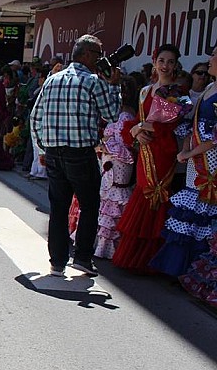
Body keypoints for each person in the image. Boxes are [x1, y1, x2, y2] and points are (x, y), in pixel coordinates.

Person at [30, 34, 121, 277]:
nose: (101, 60)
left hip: (53, 152)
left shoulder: (52, 80)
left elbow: (35, 117)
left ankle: (57, 262)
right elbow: (112, 115)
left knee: (58, 208)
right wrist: (114, 85)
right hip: (80, 152)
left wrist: (42, 148)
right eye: (99, 55)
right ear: (87, 55)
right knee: (90, 206)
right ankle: (81, 257)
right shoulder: (93, 81)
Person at [112, 44, 185, 273]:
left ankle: (150, 259)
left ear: (175, 65)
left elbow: (169, 126)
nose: (165, 65)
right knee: (141, 191)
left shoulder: (176, 93)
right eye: (162, 60)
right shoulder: (146, 91)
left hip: (162, 151)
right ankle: (134, 256)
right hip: (144, 150)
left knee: (155, 194)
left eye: (170, 62)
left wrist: (144, 127)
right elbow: (136, 121)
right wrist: (135, 131)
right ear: (155, 61)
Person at [149, 49, 217, 276]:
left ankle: (198, 271)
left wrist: (188, 154)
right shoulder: (209, 89)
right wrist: (186, 148)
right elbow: (193, 124)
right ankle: (181, 269)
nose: (210, 60)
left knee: (203, 214)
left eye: (215, 56)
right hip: (193, 160)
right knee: (190, 212)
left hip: (209, 163)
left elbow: (214, 138)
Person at [94, 76, 138, 259]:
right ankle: (102, 245)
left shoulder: (127, 115)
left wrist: (105, 146)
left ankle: (111, 247)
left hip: (120, 162)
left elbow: (127, 146)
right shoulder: (114, 113)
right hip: (108, 161)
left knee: (116, 198)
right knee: (107, 198)